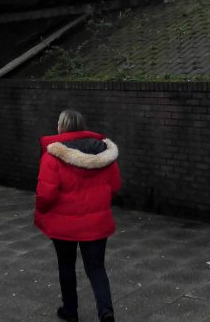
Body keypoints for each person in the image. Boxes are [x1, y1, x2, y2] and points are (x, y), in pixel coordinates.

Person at [34, 109, 121, 322]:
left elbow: (45, 195)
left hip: (64, 225)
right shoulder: (104, 155)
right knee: (96, 267)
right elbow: (115, 186)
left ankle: (70, 311)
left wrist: (42, 210)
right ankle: (106, 312)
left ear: (62, 127)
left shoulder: (52, 157)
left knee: (66, 266)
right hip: (96, 223)